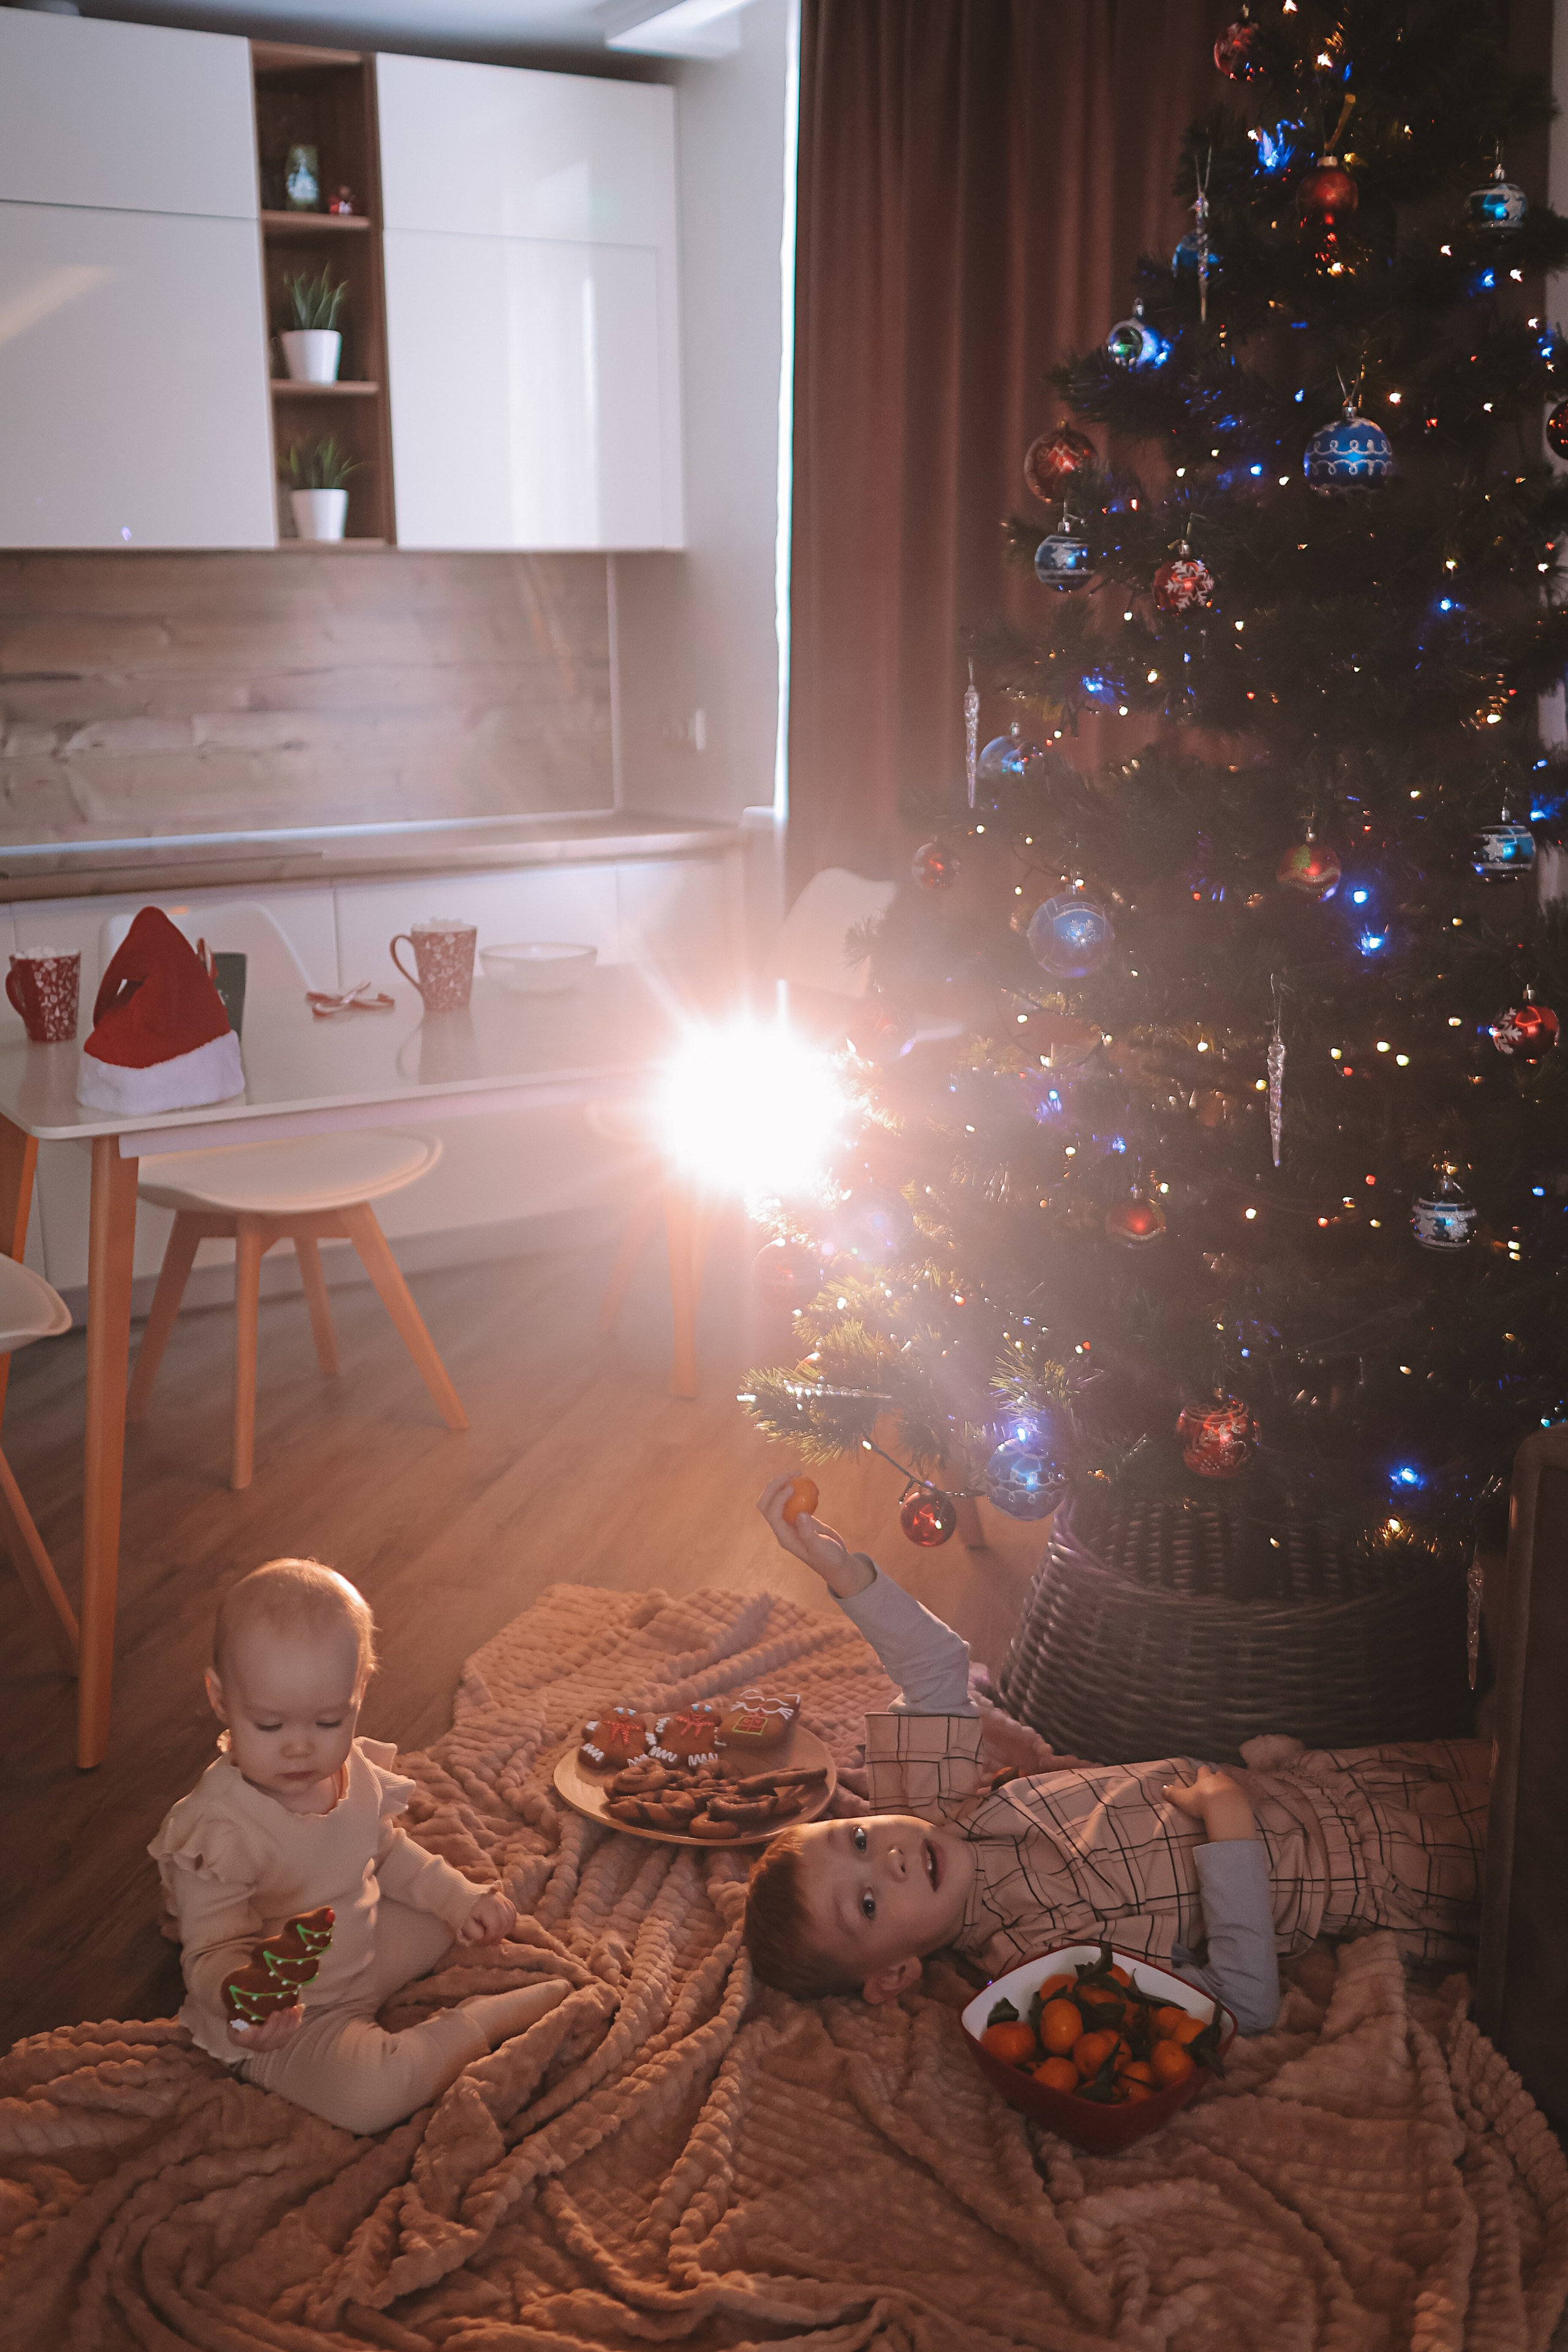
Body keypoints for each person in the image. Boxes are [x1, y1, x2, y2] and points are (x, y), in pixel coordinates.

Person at [746, 1477, 1490, 2027]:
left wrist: (843, 1573)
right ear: (894, 1975)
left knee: (1517, 1760)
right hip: (1388, 1872)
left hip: (1348, 1778)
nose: (891, 1859)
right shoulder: (1042, 1974)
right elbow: (1243, 2003)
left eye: (861, 1838)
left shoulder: (934, 1811)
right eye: (869, 1902)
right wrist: (1229, 1833)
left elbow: (932, 1667)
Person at [150, 1558, 565, 2134]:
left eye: (327, 1722)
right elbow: (211, 1954)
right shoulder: (218, 1832)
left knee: (449, 1914)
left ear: (360, 1690)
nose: (300, 1748)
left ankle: (445, 1934)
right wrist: (244, 2000)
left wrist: (460, 1899)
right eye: (269, 1726)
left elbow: (388, 1855)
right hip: (295, 2019)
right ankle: (476, 2026)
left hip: (363, 1946)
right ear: (220, 1700)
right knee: (370, 2098)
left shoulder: (354, 1771)